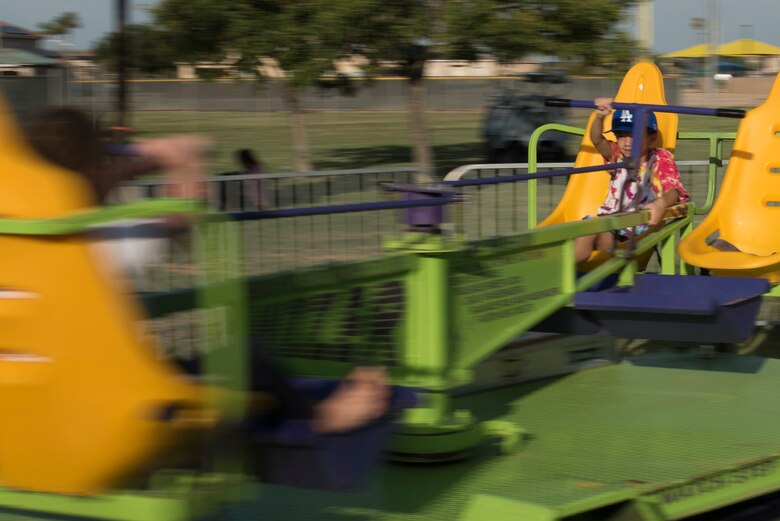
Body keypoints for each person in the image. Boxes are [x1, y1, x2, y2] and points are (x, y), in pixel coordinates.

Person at [25, 105, 391, 437]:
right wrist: (182, 158)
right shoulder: (105, 240)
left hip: (34, 405)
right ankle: (326, 418)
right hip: (114, 403)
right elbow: (186, 212)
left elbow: (85, 184)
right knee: (245, 358)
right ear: (92, 167)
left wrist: (136, 164)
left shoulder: (18, 237)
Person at [574, 98, 690, 264]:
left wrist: (661, 203)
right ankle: (561, 275)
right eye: (621, 136)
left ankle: (559, 278)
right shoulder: (616, 155)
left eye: (634, 136)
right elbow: (597, 139)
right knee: (581, 232)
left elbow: (674, 190)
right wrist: (600, 116)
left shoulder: (659, 158)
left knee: (589, 235)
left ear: (651, 138)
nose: (627, 143)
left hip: (634, 228)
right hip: (607, 220)